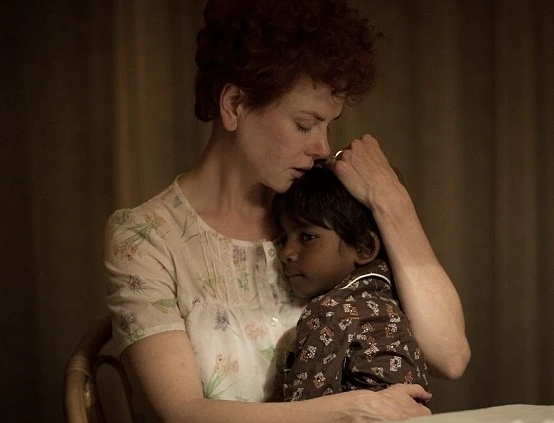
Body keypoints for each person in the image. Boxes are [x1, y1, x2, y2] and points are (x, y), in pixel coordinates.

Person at [103, 0, 470, 421]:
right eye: (305, 124)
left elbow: (450, 355)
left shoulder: (322, 212)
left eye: (328, 125)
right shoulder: (145, 238)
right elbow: (182, 413)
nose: (321, 146)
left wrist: (391, 200)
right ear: (235, 104)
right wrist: (351, 409)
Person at [271, 164, 430, 401]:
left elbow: (303, 408)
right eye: (284, 238)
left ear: (364, 247)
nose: (286, 253)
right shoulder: (393, 298)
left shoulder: (328, 312)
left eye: (307, 237)